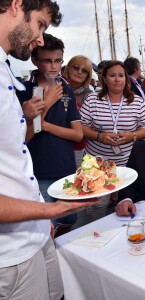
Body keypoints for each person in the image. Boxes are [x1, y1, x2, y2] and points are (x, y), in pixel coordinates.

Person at [0, 1, 97, 299]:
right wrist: (49, 210)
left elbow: (14, 149)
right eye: (40, 24)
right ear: (17, 5)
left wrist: (43, 220)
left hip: (35, 231)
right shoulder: (22, 86)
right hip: (12, 251)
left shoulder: (5, 74)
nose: (39, 39)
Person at [17, 33, 83, 235]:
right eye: (48, 61)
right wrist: (47, 102)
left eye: (58, 60)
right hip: (40, 174)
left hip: (68, 171)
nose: (54, 66)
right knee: (46, 230)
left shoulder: (67, 91)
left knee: (70, 223)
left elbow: (78, 135)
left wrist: (44, 125)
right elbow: (23, 138)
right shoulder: (22, 91)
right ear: (34, 60)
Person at [78, 60, 145, 223]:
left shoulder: (137, 101)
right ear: (104, 79)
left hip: (127, 162)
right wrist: (99, 136)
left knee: (125, 202)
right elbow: (80, 127)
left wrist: (132, 136)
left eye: (121, 76)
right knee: (97, 204)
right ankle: (96, 234)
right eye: (112, 75)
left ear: (126, 79)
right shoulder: (92, 100)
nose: (117, 79)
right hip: (97, 163)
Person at [63, 55, 94, 166]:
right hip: (59, 145)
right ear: (68, 68)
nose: (79, 72)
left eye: (84, 71)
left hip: (83, 147)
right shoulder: (57, 89)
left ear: (88, 75)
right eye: (76, 67)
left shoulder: (91, 96)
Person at [124, 56, 145, 124]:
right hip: (137, 121)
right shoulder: (127, 84)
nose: (140, 69)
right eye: (139, 67)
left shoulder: (138, 81)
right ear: (135, 69)